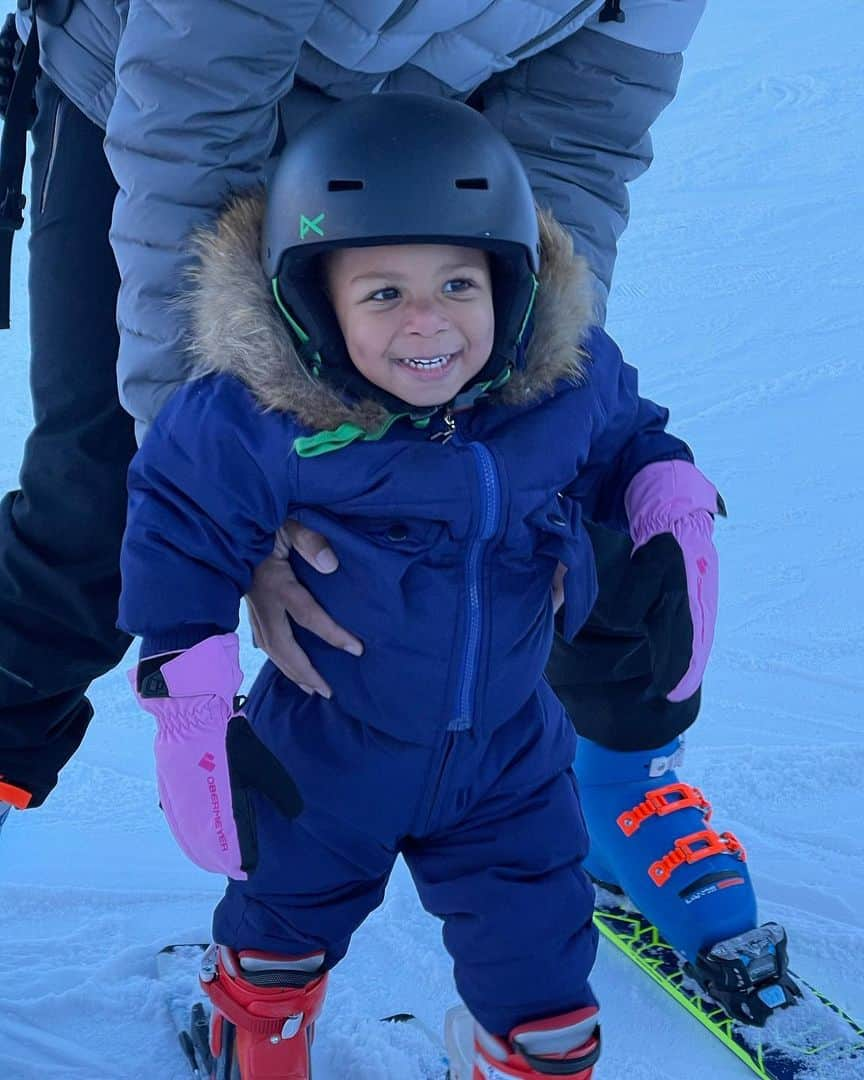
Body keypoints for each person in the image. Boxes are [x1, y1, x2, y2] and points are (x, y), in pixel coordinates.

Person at [0, 0, 779, 1019]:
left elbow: (577, 144)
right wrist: (227, 474)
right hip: (163, 92)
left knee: (540, 476)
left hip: (428, 148)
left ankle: (622, 778)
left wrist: (526, 387)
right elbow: (195, 120)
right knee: (107, 501)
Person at [120, 93, 723, 1080]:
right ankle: (256, 1033)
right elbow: (180, 521)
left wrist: (667, 494)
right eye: (383, 294)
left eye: (457, 282)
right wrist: (187, 687)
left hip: (509, 762)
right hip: (322, 749)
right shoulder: (260, 421)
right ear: (316, 304)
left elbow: (625, 435)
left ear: (511, 287)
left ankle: (525, 1058)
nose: (429, 322)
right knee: (280, 928)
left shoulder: (559, 390)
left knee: (546, 981)